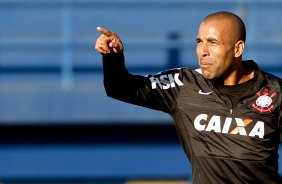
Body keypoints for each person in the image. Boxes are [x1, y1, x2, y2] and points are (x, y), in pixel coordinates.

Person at [95, 11, 282, 183]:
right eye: (199, 42)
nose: (203, 51)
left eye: (212, 42)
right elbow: (120, 88)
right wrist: (112, 58)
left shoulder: (276, 92)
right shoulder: (184, 85)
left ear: (238, 49)